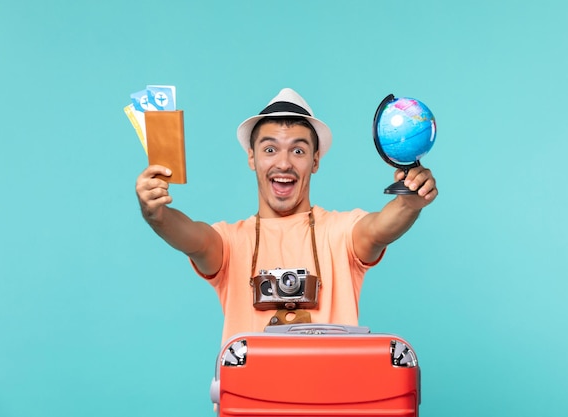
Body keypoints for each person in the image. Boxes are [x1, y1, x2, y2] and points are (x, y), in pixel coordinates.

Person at [136, 88, 437, 343]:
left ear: (315, 160)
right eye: (269, 150)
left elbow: (378, 230)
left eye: (298, 151)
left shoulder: (340, 233)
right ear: (252, 158)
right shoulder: (231, 242)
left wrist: (409, 203)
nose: (283, 163)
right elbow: (193, 239)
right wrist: (156, 214)